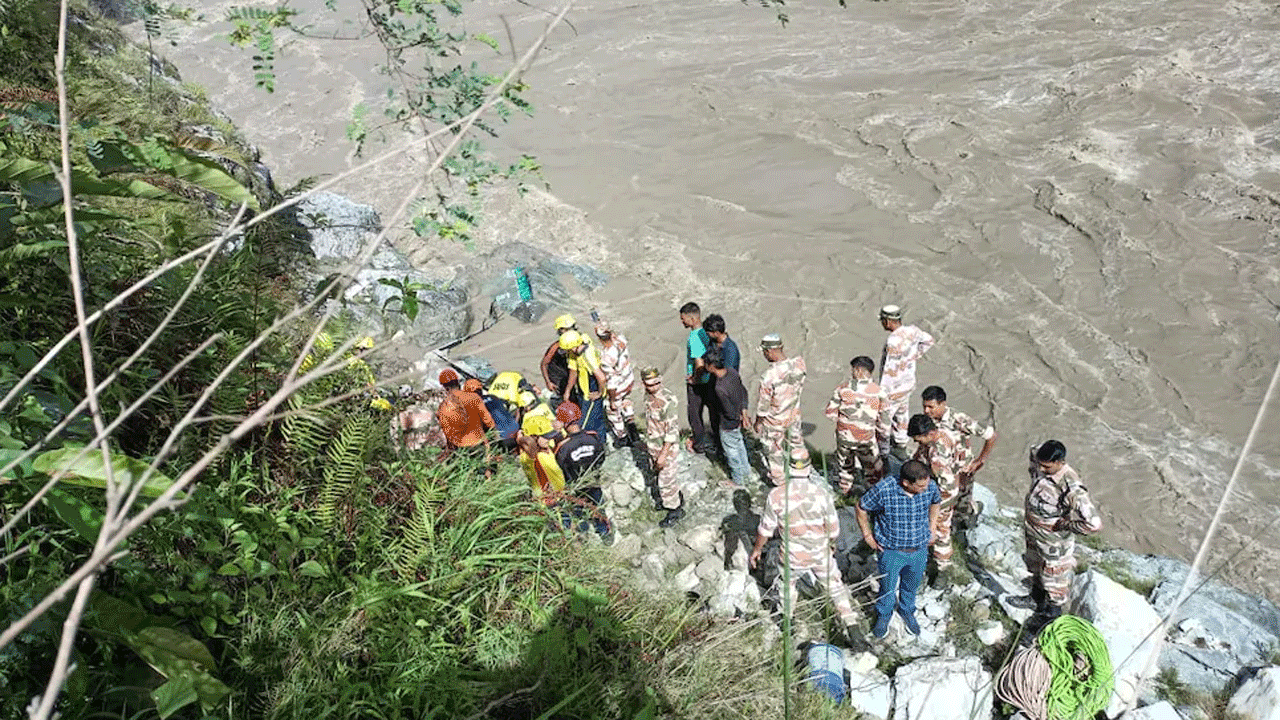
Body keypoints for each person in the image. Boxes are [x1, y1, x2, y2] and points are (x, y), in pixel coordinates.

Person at [749, 456, 861, 638]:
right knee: (835, 587)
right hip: (820, 553)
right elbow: (834, 528)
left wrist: (757, 550)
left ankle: (788, 622)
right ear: (808, 469)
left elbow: (766, 529)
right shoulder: (822, 494)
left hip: (792, 556)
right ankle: (852, 625)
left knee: (787, 586)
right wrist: (830, 545)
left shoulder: (777, 495)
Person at [1008, 441, 1102, 619]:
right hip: (1034, 533)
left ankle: (1052, 616)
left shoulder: (1071, 487)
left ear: (1061, 462)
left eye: (1047, 466)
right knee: (1035, 566)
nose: (1041, 469)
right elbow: (1034, 449)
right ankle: (1035, 599)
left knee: (1054, 579)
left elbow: (1094, 524)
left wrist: (1066, 525)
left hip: (1053, 542)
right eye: (1040, 464)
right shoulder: (1040, 460)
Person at [855, 460, 940, 639]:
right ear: (906, 483)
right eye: (920, 486)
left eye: (926, 484)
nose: (925, 488)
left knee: (911, 585)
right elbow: (861, 507)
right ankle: (884, 615)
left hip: (919, 549)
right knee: (887, 587)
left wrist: (933, 527)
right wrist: (868, 536)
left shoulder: (929, 486)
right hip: (891, 551)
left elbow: (936, 502)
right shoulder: (884, 489)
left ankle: (907, 611)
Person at [921, 385, 997, 527]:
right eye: (924, 406)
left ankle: (964, 522)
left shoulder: (959, 420)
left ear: (943, 404)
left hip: (961, 469)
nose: (926, 411)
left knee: (961, 504)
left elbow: (991, 435)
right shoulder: (928, 420)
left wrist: (980, 460)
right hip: (938, 466)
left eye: (931, 407)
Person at [907, 413, 964, 585]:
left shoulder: (937, 456)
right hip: (942, 481)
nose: (917, 443)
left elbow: (946, 486)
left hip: (943, 495)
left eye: (919, 440)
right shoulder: (944, 432)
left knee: (940, 530)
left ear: (929, 434)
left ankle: (943, 568)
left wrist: (930, 503)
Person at [824, 356, 891, 495]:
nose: (852, 372)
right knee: (873, 469)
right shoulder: (880, 392)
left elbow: (830, 414)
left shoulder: (842, 388)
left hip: (845, 437)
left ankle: (845, 491)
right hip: (866, 439)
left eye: (853, 369)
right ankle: (872, 495)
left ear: (859, 370)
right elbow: (884, 423)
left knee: (845, 467)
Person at [753, 333, 810, 485]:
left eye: (765, 352)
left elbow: (763, 406)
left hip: (775, 421)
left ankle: (780, 483)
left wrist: (758, 422)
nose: (765, 355)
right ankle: (801, 473)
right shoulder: (799, 364)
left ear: (769, 351)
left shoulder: (769, 376)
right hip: (793, 416)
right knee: (797, 446)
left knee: (774, 452)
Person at [878, 305, 934, 459]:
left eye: (883, 321)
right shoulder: (913, 331)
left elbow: (888, 371)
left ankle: (883, 454)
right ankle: (901, 445)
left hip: (893, 389)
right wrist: (913, 356)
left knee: (883, 422)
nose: (882, 324)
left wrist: (881, 393)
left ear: (888, 321)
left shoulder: (893, 341)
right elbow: (929, 340)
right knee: (902, 414)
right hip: (908, 384)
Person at [553, 402, 610, 539]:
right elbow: (601, 457)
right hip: (594, 481)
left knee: (578, 510)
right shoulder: (593, 436)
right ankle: (604, 531)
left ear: (564, 423)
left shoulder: (562, 447)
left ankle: (583, 532)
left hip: (575, 486)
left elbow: (560, 468)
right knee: (598, 506)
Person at [641, 367, 685, 528]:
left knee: (666, 480)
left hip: (666, 448)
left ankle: (675, 510)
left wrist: (663, 455)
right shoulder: (648, 396)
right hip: (654, 444)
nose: (653, 387)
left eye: (656, 383)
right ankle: (670, 499)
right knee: (661, 476)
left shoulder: (668, 400)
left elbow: (672, 431)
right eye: (649, 384)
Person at [705, 348, 752, 487]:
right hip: (738, 420)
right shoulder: (732, 372)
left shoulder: (719, 388)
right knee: (740, 446)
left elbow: (728, 411)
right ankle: (746, 472)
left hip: (728, 425)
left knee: (731, 452)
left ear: (712, 366)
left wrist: (733, 419)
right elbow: (743, 391)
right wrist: (744, 414)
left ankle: (737, 480)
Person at [680, 302, 718, 454]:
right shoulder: (706, 333)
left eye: (683, 319)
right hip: (710, 379)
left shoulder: (695, 337)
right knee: (713, 410)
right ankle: (717, 441)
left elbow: (699, 362)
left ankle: (699, 444)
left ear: (692, 318)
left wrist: (695, 379)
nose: (682, 322)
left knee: (694, 414)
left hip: (699, 382)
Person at [595, 320, 641, 448]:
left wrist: (612, 400)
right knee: (627, 401)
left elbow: (611, 383)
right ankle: (632, 427)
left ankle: (622, 437)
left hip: (618, 387)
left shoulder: (606, 358)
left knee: (613, 412)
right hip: (628, 380)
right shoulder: (621, 341)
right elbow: (615, 335)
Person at [435, 368, 495, 462]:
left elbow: (449, 437)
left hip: (462, 450)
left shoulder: (443, 408)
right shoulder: (474, 397)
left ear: (444, 387)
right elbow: (490, 423)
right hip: (480, 444)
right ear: (458, 383)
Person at [560, 329, 610, 438]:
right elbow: (573, 372)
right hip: (585, 391)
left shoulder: (587, 355)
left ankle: (594, 444)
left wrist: (600, 393)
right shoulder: (578, 349)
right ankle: (601, 442)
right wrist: (568, 391)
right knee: (597, 419)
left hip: (592, 393)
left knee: (585, 425)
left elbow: (601, 378)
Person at [517, 412, 566, 505]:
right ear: (533, 437)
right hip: (548, 502)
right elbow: (528, 447)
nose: (549, 439)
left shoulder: (545, 448)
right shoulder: (530, 457)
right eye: (545, 437)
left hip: (561, 497)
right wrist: (521, 439)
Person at [540, 314, 577, 406]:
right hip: (558, 378)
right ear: (561, 330)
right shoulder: (556, 347)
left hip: (568, 374)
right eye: (568, 329)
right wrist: (548, 382)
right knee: (565, 400)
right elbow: (544, 364)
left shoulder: (576, 341)